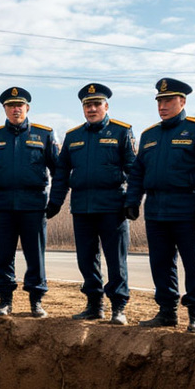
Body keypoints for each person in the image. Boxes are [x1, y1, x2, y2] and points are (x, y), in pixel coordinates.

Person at [125, 78, 195, 333]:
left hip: (187, 207)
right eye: (159, 101)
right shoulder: (149, 135)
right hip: (155, 208)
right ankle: (167, 312)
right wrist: (132, 201)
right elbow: (137, 173)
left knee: (193, 263)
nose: (163, 106)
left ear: (182, 101)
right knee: (160, 263)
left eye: (168, 100)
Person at [49, 83, 135, 325]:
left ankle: (118, 307)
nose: (92, 108)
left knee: (116, 260)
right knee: (86, 259)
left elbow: (134, 169)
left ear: (106, 106)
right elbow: (62, 171)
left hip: (112, 208)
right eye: (87, 105)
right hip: (82, 208)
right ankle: (94, 305)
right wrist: (55, 202)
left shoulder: (122, 132)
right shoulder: (73, 137)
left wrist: (132, 200)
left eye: (97, 104)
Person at [0, 87, 59, 317]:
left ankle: (36, 300)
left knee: (35, 255)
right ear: (4, 109)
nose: (15, 109)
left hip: (34, 205)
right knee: (2, 255)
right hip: (3, 205)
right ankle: (5, 300)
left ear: (27, 108)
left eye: (19, 105)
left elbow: (58, 170)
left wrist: (56, 201)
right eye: (10, 106)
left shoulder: (44, 134)